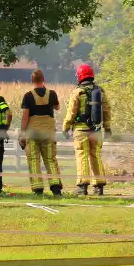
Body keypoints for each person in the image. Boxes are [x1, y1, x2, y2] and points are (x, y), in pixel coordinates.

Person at [63, 64, 111, 196]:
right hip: (96, 130)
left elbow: (71, 112)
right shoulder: (100, 91)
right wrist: (107, 127)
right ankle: (99, 187)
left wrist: (66, 127)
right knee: (95, 154)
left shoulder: (77, 92)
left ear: (80, 76)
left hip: (81, 130)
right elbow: (106, 110)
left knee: (81, 155)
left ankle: (82, 186)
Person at [19, 70, 63, 196]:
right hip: (48, 132)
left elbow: (25, 117)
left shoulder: (28, 96)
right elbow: (57, 107)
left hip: (33, 133)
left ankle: (38, 189)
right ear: (43, 79)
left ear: (32, 81)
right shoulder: (52, 93)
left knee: (33, 159)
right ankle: (56, 188)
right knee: (50, 159)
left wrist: (23, 133)